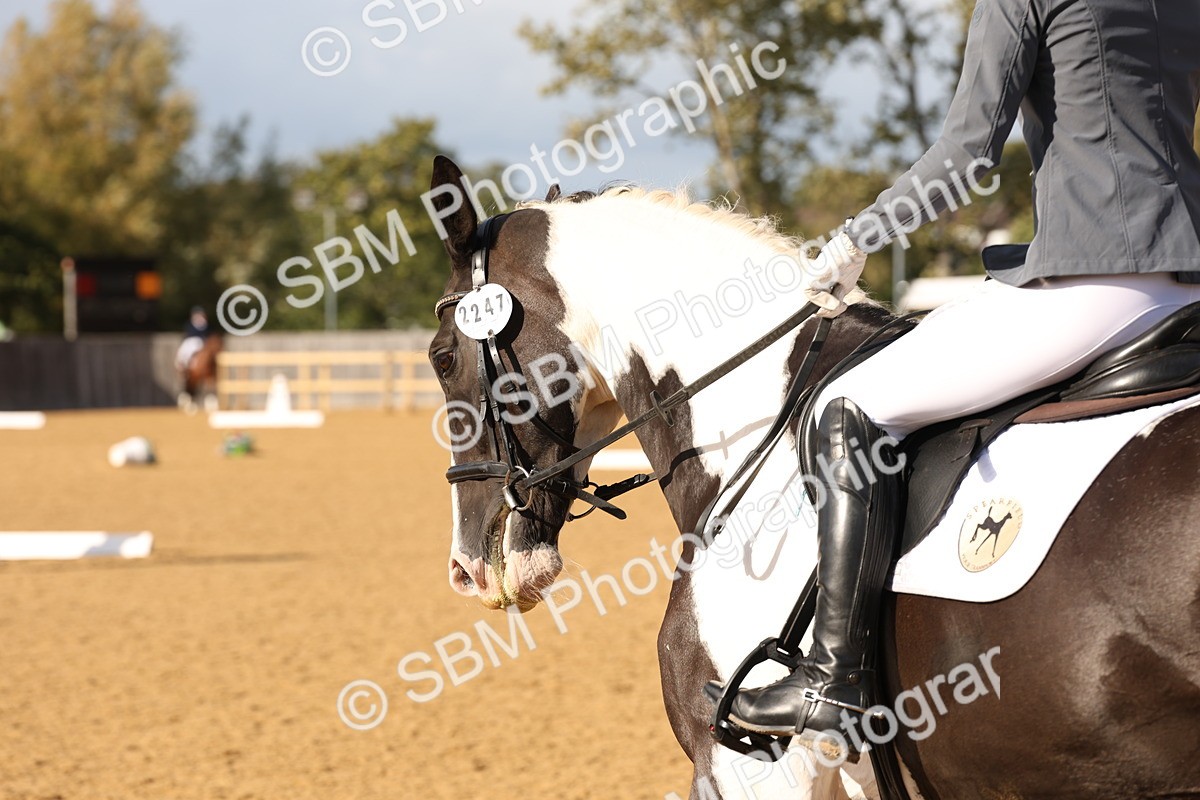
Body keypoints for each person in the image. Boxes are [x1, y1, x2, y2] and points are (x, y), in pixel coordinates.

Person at [706, 0, 1200, 753]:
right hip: (1188, 277)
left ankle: (833, 677)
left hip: (1097, 279)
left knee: (846, 408)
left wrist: (855, 239)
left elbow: (967, 158)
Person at [175, 306, 211, 372]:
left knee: (193, 350)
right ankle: (181, 365)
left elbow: (204, 334)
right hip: (188, 340)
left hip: (198, 341)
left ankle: (193, 364)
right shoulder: (190, 323)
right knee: (182, 351)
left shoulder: (203, 324)